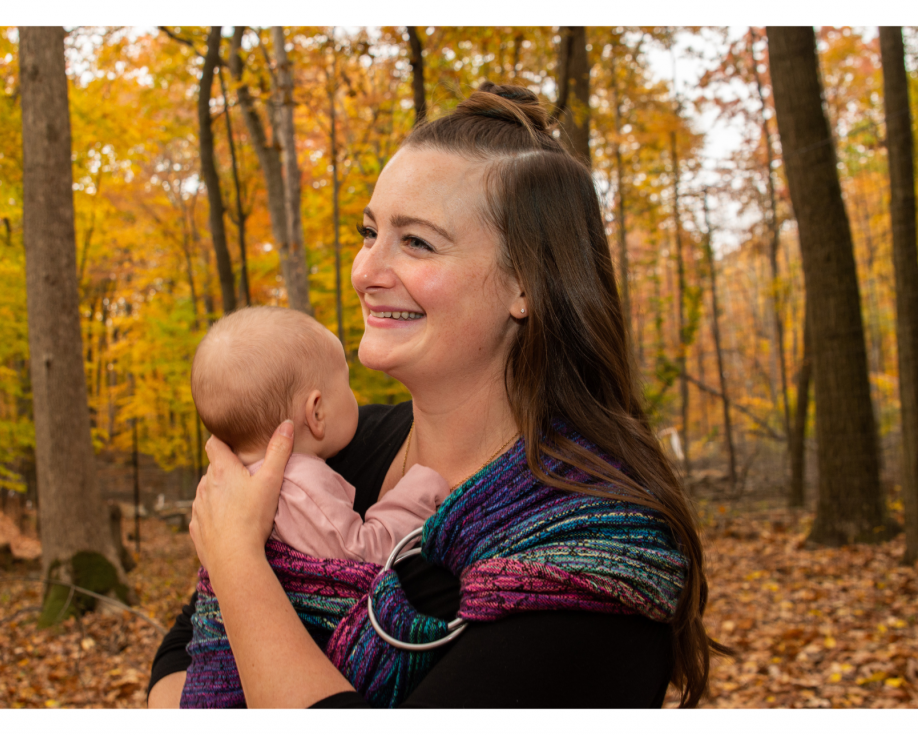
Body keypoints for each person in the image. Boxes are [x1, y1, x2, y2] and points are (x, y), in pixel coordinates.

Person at [148, 82, 724, 709]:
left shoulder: (592, 551)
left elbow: (230, 601)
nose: (365, 271)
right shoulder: (330, 447)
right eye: (370, 232)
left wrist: (236, 562)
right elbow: (188, 648)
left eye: (417, 241)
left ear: (525, 285)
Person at [188, 306, 449, 563]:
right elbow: (362, 553)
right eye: (346, 384)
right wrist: (421, 488)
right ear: (316, 414)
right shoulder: (302, 485)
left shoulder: (227, 489)